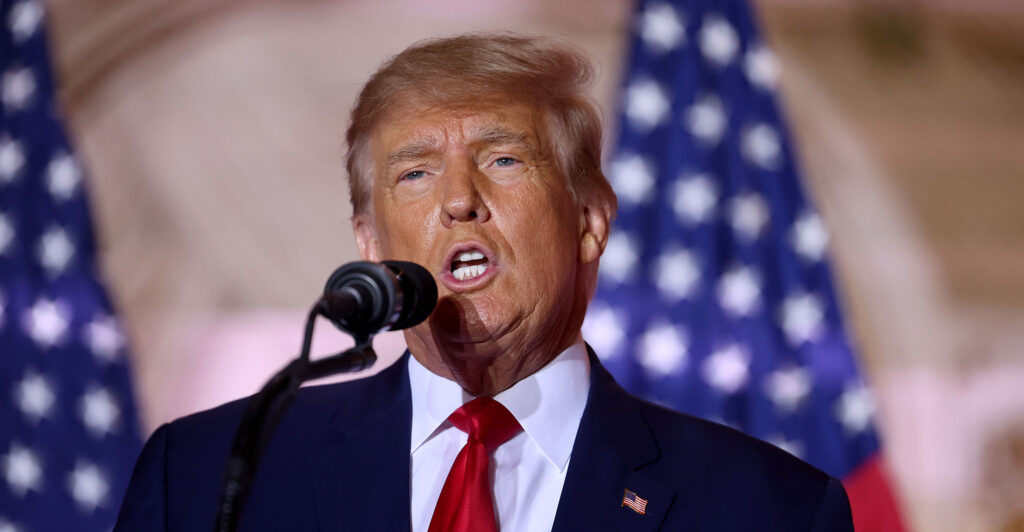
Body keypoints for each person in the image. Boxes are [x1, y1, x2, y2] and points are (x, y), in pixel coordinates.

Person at [114, 34, 853, 531]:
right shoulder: (209, 475)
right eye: (415, 172)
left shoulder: (768, 509)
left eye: (503, 160)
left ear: (590, 221)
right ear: (371, 246)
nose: (458, 198)